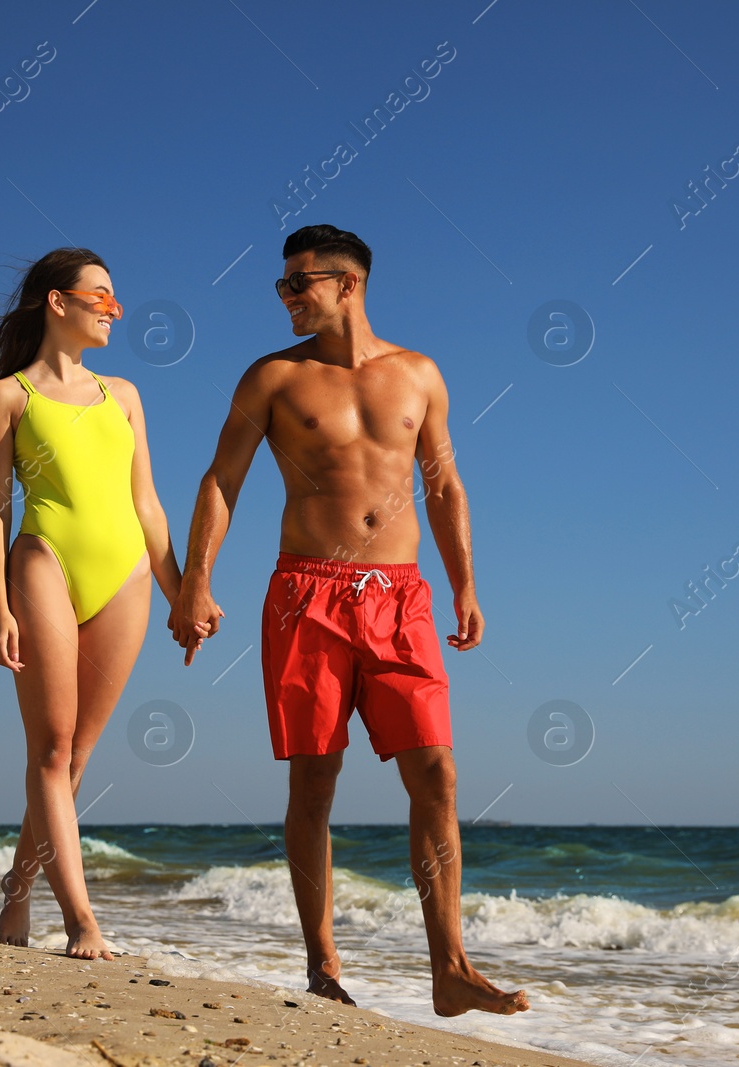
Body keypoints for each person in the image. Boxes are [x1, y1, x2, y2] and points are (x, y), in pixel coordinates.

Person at [171, 224, 528, 1016]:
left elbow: (443, 485)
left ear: (349, 284)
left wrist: (465, 583)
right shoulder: (272, 379)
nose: (288, 296)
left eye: (300, 283)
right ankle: (324, 966)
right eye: (283, 285)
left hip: (402, 597)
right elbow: (220, 481)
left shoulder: (419, 374)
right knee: (315, 777)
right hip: (307, 593)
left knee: (436, 771)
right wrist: (196, 582)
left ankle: (451, 967)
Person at [0, 247, 207, 959]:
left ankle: (18, 887)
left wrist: (184, 593)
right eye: (100, 296)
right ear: (57, 302)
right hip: (43, 561)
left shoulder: (124, 395)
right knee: (49, 748)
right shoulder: (9, 395)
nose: (113, 309)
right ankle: (83, 921)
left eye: (116, 298)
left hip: (127, 572)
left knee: (74, 760)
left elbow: (149, 506)